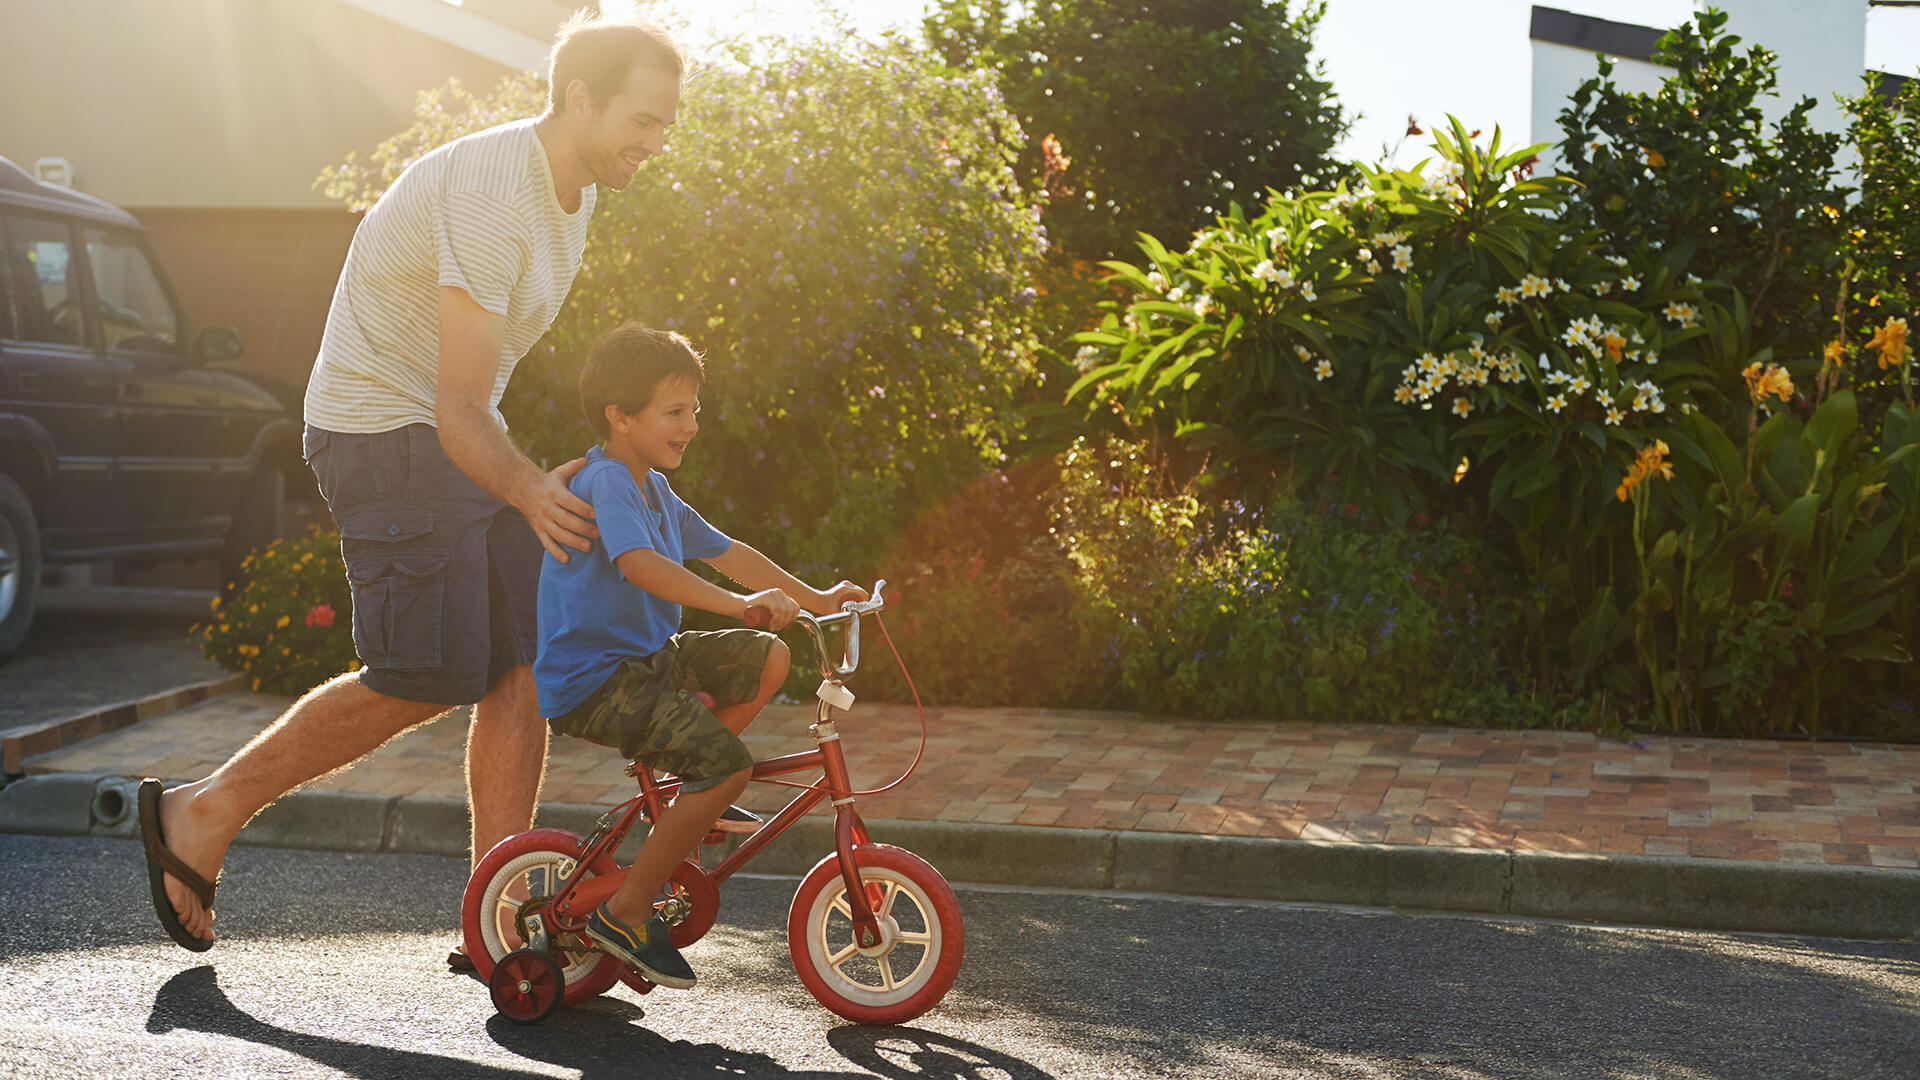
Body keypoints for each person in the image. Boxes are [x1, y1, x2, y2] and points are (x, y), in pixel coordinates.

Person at [137, 13, 686, 957]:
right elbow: (456, 405)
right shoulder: (491, 192)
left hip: (449, 435)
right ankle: (201, 811)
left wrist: (526, 480)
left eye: (666, 124)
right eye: (643, 119)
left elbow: (474, 398)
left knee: (522, 657)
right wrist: (521, 485)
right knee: (426, 671)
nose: (655, 143)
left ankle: (497, 914)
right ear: (580, 97)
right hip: (379, 433)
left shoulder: (575, 193)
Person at [537, 323, 865, 988]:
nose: (690, 426)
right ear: (620, 417)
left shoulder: (654, 486)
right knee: (726, 768)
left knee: (767, 657)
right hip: (596, 681)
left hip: (648, 659)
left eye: (695, 411)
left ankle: (695, 794)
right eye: (674, 412)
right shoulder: (608, 483)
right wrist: (739, 606)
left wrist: (817, 599)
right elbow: (639, 567)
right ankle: (626, 913)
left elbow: (729, 552)